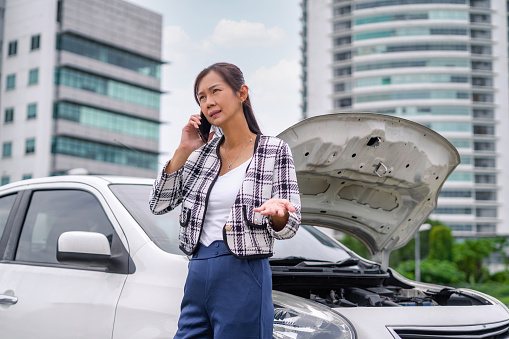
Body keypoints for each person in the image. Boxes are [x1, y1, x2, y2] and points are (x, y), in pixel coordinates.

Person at [149, 62, 301, 339]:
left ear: (241, 93)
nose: (208, 102)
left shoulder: (273, 150)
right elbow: (159, 203)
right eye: (201, 97)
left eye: (215, 91)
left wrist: (278, 213)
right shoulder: (200, 155)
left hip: (243, 271)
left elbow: (290, 225)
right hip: (197, 271)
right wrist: (183, 150)